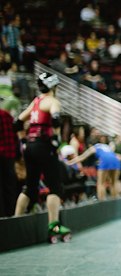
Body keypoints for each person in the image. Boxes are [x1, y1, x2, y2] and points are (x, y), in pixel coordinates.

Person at [14, 73, 72, 241]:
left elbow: (17, 122)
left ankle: (15, 223)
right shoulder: (53, 101)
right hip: (44, 145)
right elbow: (55, 118)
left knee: (30, 187)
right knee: (54, 186)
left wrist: (23, 140)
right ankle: (53, 225)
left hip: (30, 146)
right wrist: (56, 138)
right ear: (54, 87)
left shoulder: (36, 102)